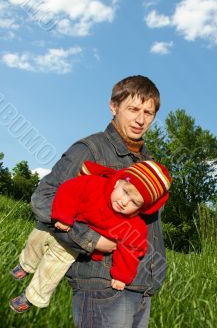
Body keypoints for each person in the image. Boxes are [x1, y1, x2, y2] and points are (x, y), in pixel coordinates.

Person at [15, 75, 166, 327]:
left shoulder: (148, 166)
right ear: (113, 106)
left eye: (148, 112)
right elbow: (44, 199)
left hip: (140, 286)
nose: (141, 119)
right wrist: (91, 240)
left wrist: (154, 276)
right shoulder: (90, 149)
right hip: (102, 287)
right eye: (133, 109)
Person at [9, 159, 172, 313]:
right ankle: (26, 265)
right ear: (118, 181)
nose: (124, 201)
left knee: (54, 266)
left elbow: (132, 249)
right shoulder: (95, 185)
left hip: (75, 242)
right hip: (64, 221)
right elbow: (70, 189)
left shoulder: (132, 225)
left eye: (134, 202)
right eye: (125, 192)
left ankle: (31, 298)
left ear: (142, 208)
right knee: (36, 239)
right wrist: (63, 215)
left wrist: (122, 276)